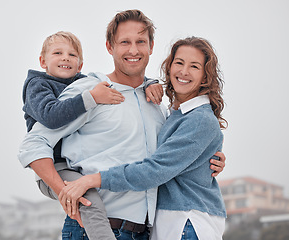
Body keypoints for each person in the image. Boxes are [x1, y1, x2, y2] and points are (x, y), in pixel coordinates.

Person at [18, 10, 225, 240]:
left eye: (140, 42)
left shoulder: (156, 104)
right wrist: (65, 193)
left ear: (151, 46)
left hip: (146, 232)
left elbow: (165, 162)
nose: (133, 50)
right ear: (110, 46)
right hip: (92, 229)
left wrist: (210, 158)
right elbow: (34, 144)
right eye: (124, 42)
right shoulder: (92, 91)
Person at [21, 30, 163, 240]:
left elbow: (130, 80)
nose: (65, 58)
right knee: (88, 199)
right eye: (57, 53)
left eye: (72, 55)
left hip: (140, 227)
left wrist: (149, 83)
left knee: (86, 195)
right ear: (42, 61)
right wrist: (92, 98)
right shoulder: (39, 85)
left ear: (80, 66)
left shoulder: (84, 83)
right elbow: (49, 118)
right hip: (56, 167)